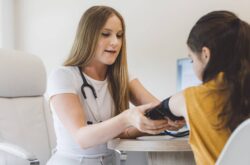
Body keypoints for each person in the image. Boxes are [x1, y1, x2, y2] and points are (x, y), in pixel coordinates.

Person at [46, 5, 183, 165]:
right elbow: (82, 138)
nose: (115, 42)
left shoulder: (121, 77)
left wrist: (168, 119)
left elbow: (157, 107)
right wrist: (127, 118)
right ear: (87, 37)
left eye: (119, 35)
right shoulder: (63, 76)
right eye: (106, 34)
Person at [158, 10, 250, 165]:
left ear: (205, 55)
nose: (193, 65)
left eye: (192, 60)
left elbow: (160, 110)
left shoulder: (191, 98)